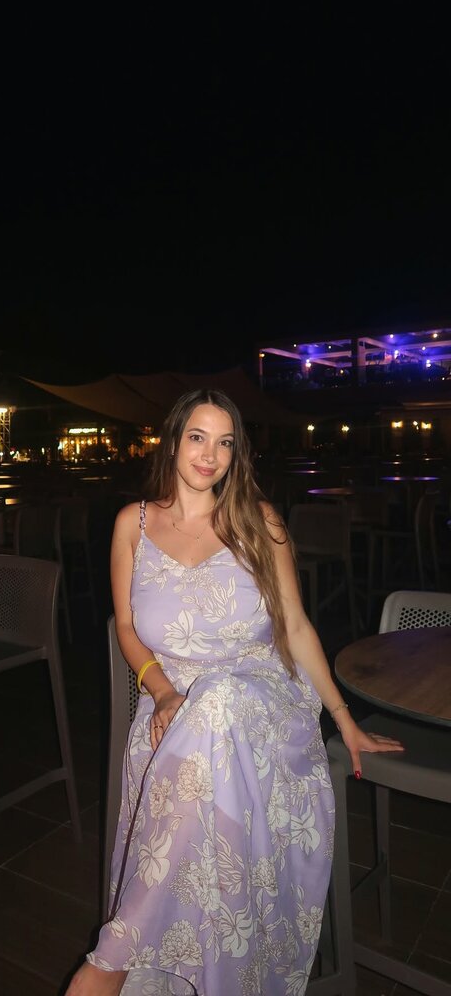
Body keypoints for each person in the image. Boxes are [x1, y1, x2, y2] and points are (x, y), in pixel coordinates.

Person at [64, 388, 404, 996]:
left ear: (236, 454)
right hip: (174, 707)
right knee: (204, 717)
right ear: (173, 441)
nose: (209, 455)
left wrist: (343, 718)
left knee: (218, 699)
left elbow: (294, 626)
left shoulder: (259, 521)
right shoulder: (132, 524)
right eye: (198, 437)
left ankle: (113, 957)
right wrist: (163, 693)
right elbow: (127, 629)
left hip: (262, 698)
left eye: (224, 443)